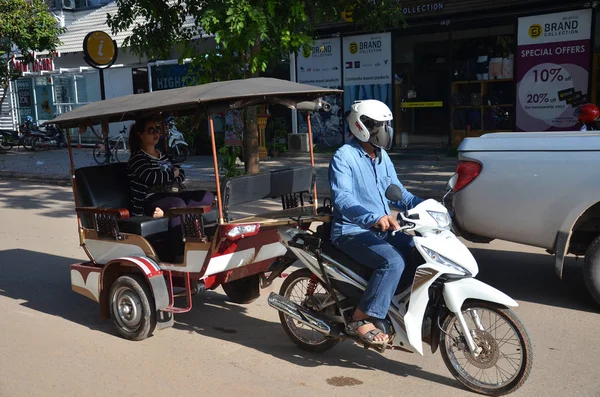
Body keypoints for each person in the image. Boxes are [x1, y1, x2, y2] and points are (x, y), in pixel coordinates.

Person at [329, 99, 424, 348]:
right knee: (393, 262)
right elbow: (343, 198)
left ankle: (394, 305)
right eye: (380, 126)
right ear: (363, 126)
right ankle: (360, 318)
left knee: (419, 250)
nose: (385, 131)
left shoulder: (382, 156)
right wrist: (373, 218)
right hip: (351, 231)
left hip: (382, 229)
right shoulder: (344, 156)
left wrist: (425, 205)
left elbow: (397, 191)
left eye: (385, 125)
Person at [127, 117, 214, 254]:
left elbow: (181, 173)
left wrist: (172, 175)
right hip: (151, 198)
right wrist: (172, 175)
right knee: (177, 204)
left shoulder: (164, 154)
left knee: (207, 197)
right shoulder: (137, 158)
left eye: (157, 130)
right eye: (151, 131)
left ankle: (204, 238)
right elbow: (151, 178)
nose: (156, 133)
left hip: (172, 192)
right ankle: (178, 251)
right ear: (140, 135)